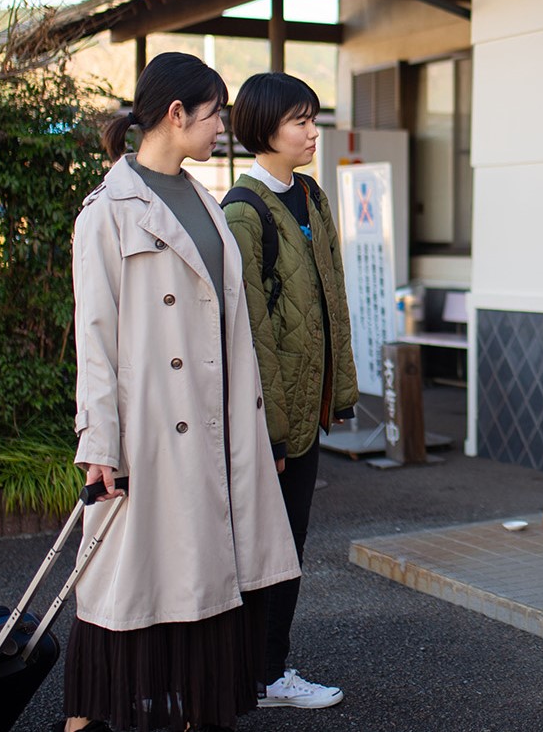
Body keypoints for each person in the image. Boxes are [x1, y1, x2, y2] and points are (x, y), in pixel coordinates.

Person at [64, 53, 299, 732]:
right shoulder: (106, 213)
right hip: (153, 430)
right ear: (176, 114)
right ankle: (85, 723)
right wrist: (99, 442)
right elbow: (96, 343)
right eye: (215, 112)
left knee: (208, 584)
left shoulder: (202, 199)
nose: (223, 125)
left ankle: (201, 715)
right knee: (124, 587)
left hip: (218, 424)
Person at [220, 72, 360, 710]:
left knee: (290, 546)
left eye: (313, 119)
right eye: (299, 121)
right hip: (278, 422)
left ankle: (263, 671)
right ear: (263, 129)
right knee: (265, 553)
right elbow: (252, 336)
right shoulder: (242, 213)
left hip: (310, 407)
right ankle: (262, 675)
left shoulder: (312, 194)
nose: (312, 132)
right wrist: (272, 431)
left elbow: (331, 299)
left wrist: (340, 390)